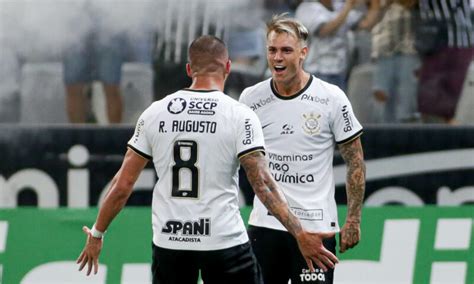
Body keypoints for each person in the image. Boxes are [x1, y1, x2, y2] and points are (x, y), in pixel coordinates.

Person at [76, 35, 338, 284]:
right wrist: (299, 233)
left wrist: (97, 234)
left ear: (189, 69)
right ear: (228, 67)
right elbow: (263, 184)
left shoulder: (155, 112)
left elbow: (122, 186)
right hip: (223, 241)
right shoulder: (240, 115)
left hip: (171, 241)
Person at [239, 14, 366, 284]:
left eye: (286, 50)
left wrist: (353, 219)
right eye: (272, 50)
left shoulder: (330, 98)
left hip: (316, 227)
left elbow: (355, 160)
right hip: (267, 225)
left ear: (303, 53)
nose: (277, 58)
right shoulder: (251, 99)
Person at [415, 0, 474, 123]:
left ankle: (443, 135)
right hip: (453, 42)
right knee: (440, 102)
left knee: (435, 103)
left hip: (443, 43)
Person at [295, 0, 369, 91]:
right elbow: (324, 31)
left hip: (340, 72)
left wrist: (378, 6)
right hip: (318, 72)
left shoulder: (338, 5)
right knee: (319, 104)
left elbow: (366, 24)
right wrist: (348, 6)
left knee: (338, 105)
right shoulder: (307, 7)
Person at [371, 0, 420, 123]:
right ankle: (385, 137)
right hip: (385, 49)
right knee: (382, 98)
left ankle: (406, 137)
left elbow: (410, 3)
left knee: (406, 101)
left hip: (408, 50)